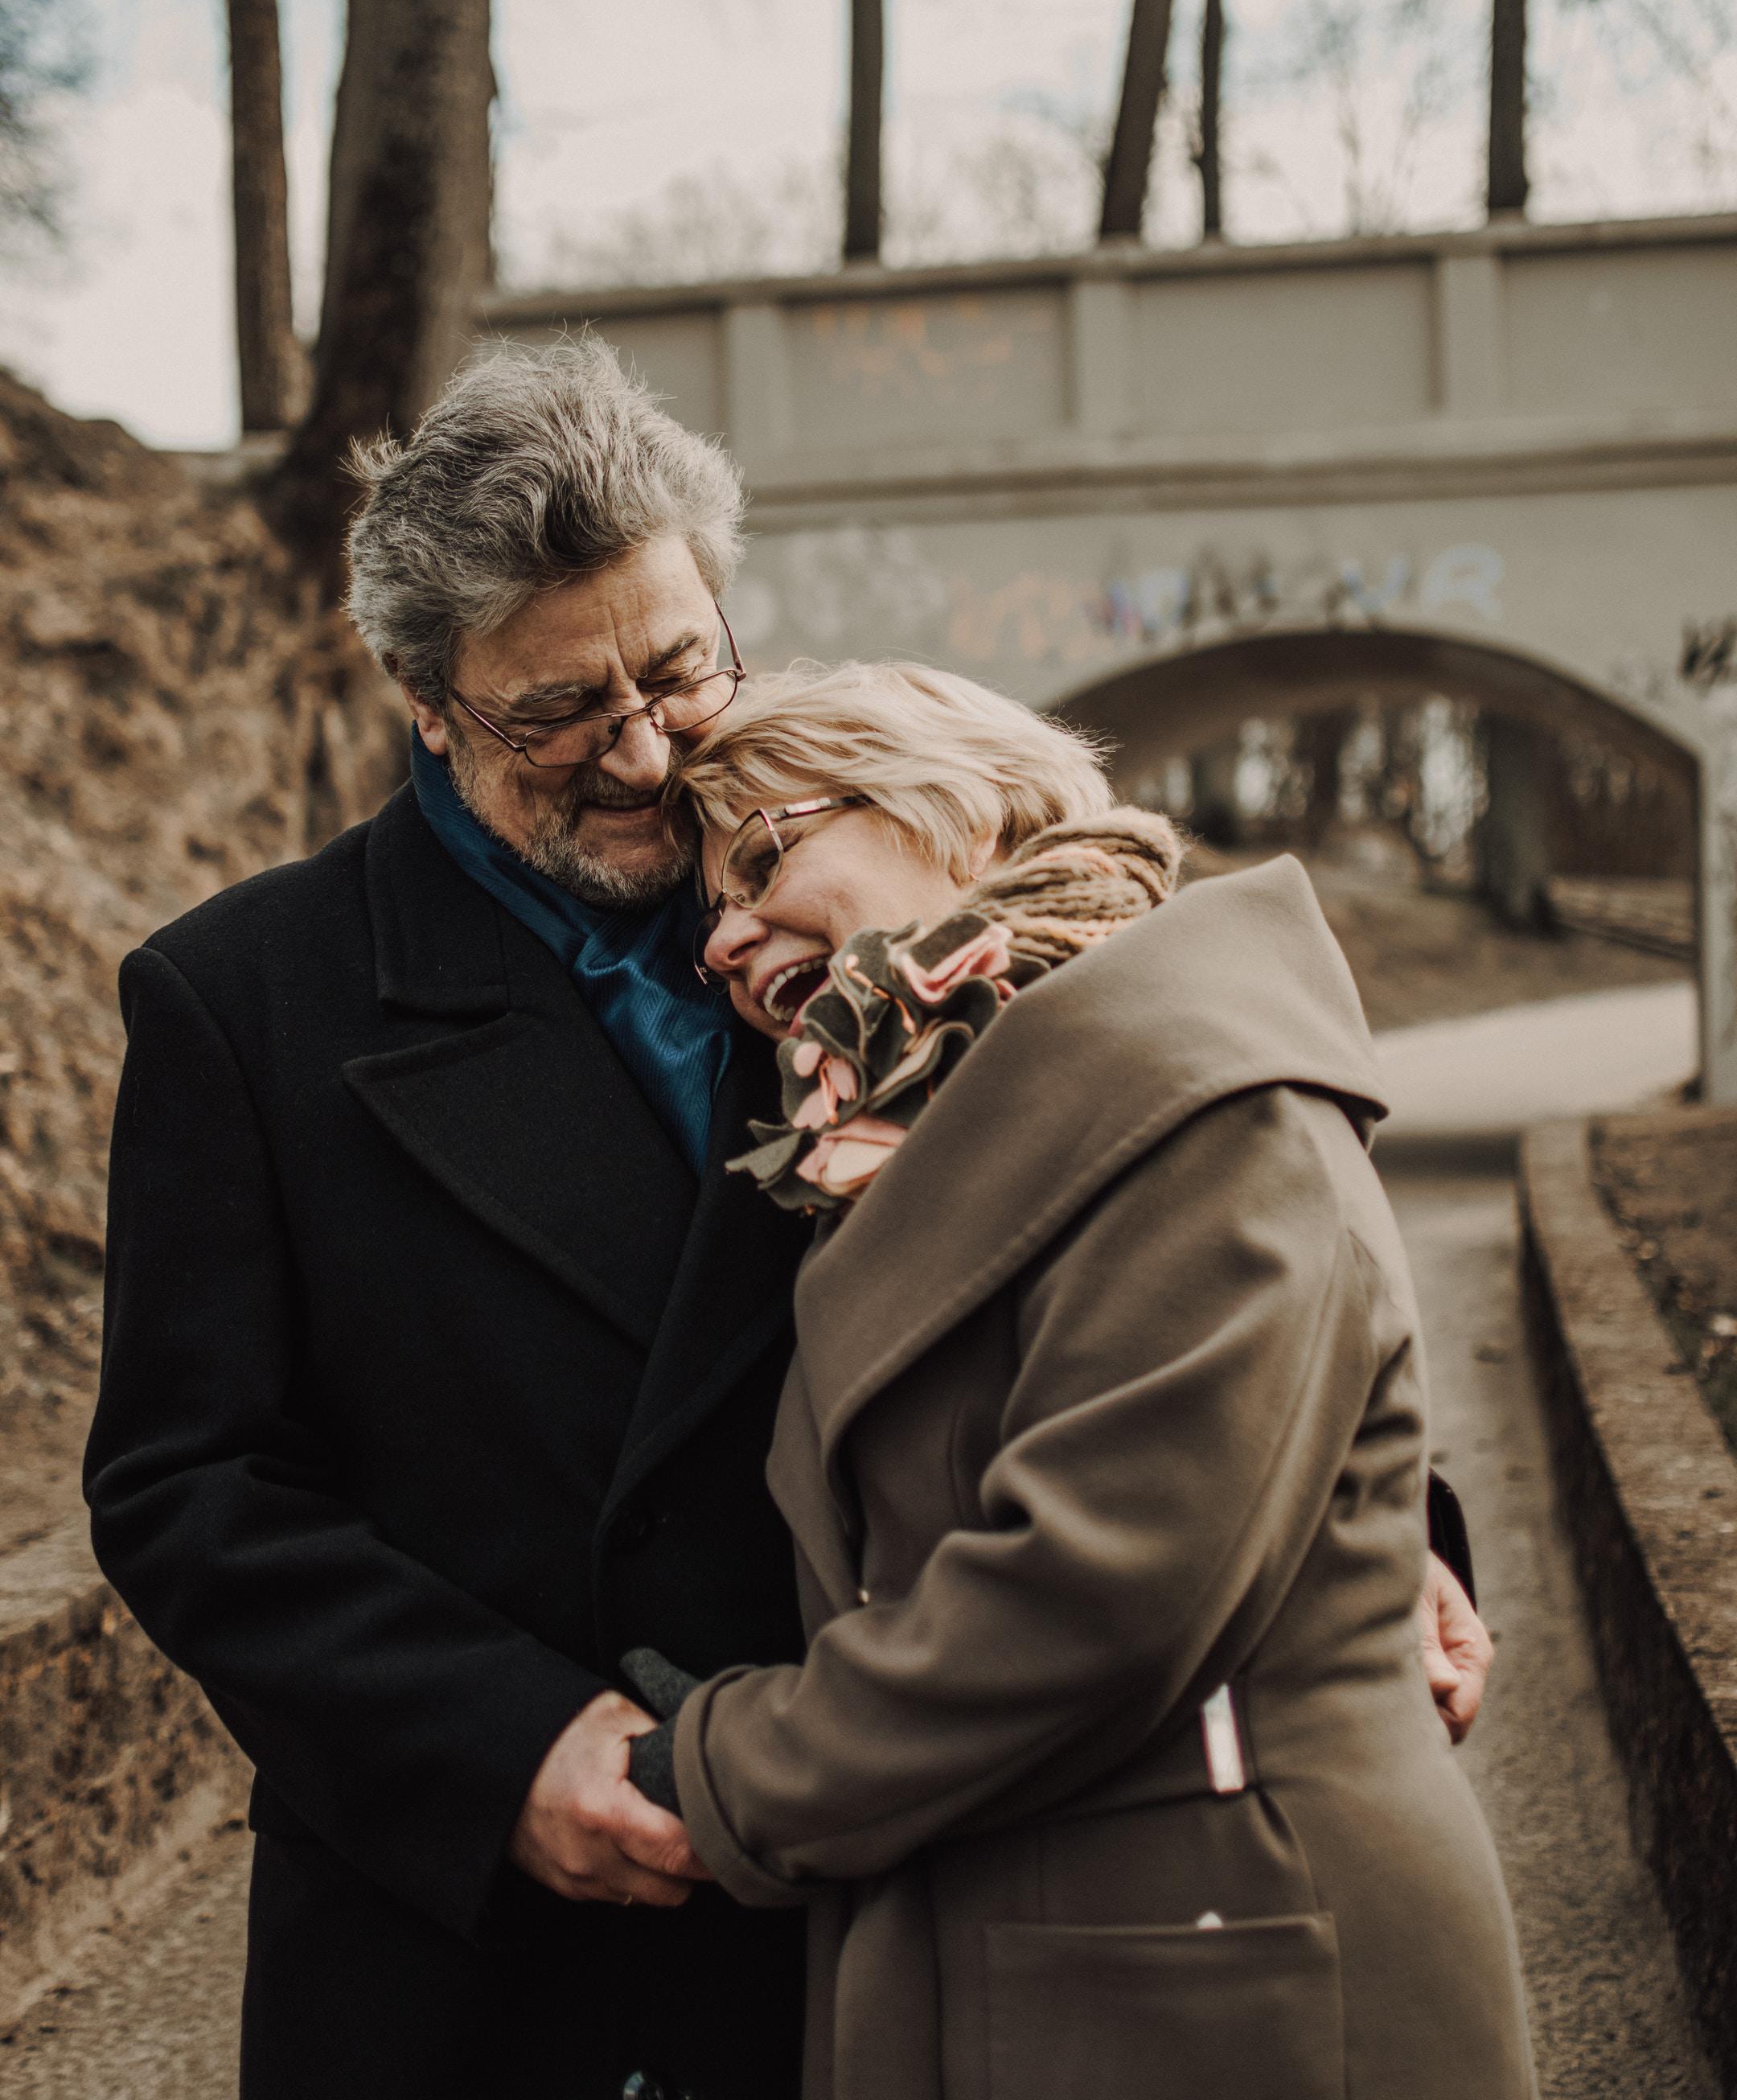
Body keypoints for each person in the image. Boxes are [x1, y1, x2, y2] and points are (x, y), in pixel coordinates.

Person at [84, 339, 1489, 2100]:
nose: (650, 752)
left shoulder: (888, 883)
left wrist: (1376, 1533)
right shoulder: (246, 1001)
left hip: (864, 1894)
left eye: (680, 668)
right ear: (424, 700)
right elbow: (189, 1485)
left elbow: (1170, 1234)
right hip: (476, 1963)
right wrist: (499, 1748)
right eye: (558, 715)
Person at [618, 660, 1537, 2100]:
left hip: (1232, 1969)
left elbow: (1101, 1590)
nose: (727, 939)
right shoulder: (933, 1120)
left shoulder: (1191, 1091)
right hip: (1078, 1942)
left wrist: (722, 1770)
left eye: (763, 858)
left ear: (959, 808)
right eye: (707, 922)